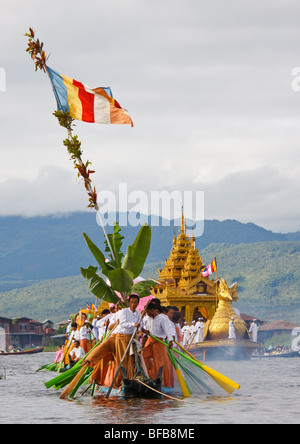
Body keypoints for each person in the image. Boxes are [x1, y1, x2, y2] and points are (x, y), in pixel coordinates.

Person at [83, 294, 142, 388]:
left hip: (130, 338)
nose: (133, 304)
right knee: (104, 352)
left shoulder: (138, 314)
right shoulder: (119, 313)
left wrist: (139, 329)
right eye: (131, 302)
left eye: (135, 303)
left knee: (128, 362)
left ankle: (125, 381)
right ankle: (89, 361)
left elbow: (140, 325)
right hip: (117, 337)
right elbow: (117, 325)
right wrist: (131, 324)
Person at [141, 302, 174, 387]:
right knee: (144, 356)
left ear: (152, 310)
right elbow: (143, 327)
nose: (146, 313)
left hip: (159, 341)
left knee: (159, 363)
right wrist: (144, 332)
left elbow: (167, 330)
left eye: (147, 311)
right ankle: (146, 377)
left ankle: (160, 382)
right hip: (149, 340)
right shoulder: (147, 318)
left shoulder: (162, 318)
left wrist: (170, 341)